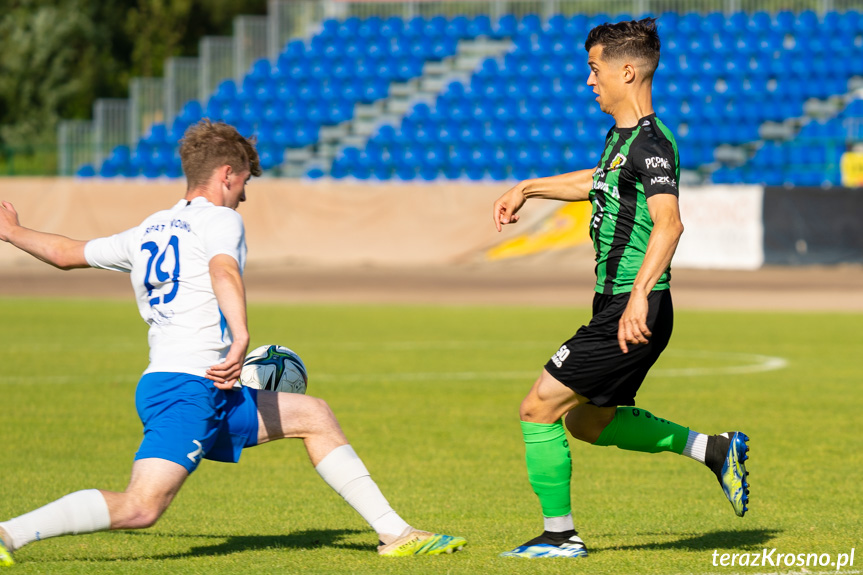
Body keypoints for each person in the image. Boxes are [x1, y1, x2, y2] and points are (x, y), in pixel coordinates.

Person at [0, 120, 465, 568]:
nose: (244, 193)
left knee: (315, 416)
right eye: (244, 181)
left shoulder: (148, 230)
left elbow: (65, 254)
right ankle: (7, 534)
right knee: (140, 507)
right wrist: (241, 335)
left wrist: (13, 231)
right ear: (226, 175)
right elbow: (224, 269)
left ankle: (396, 533)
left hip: (196, 385)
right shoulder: (219, 220)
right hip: (188, 388)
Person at [491, 18, 749, 559]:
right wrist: (528, 188)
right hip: (623, 304)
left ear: (626, 70)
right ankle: (714, 449)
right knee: (588, 422)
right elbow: (596, 180)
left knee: (538, 407)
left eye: (594, 68)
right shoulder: (623, 139)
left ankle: (560, 536)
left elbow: (670, 222)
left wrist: (637, 296)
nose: (589, 81)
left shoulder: (651, 143)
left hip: (635, 306)